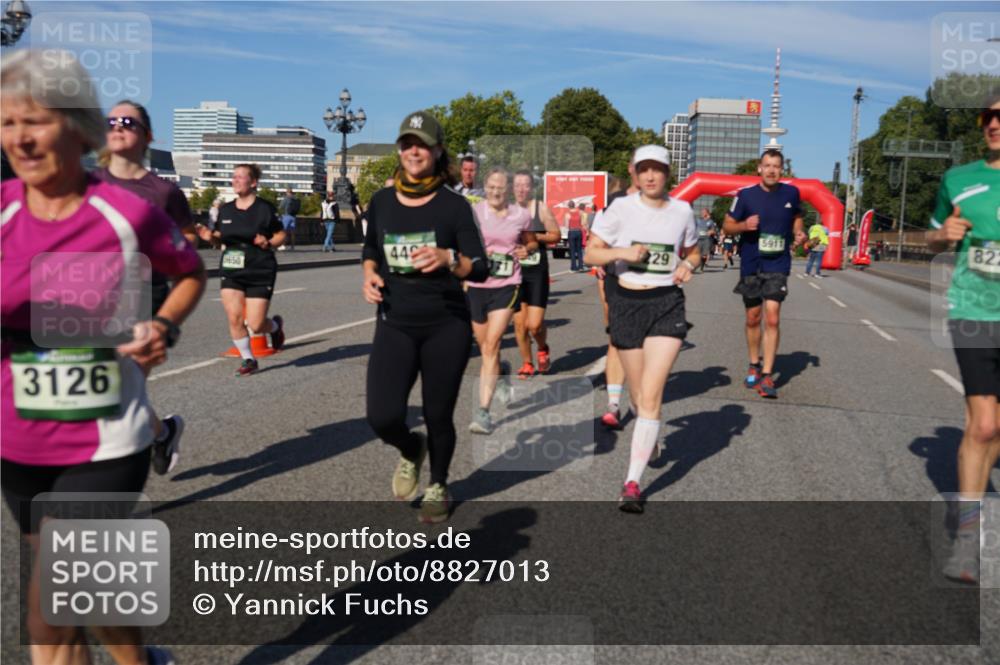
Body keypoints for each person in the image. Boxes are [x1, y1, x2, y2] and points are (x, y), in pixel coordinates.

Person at [1, 49, 205, 665]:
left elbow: (189, 271)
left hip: (105, 437)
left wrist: (162, 326)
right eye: (8, 123)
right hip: (17, 437)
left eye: (36, 120)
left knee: (51, 607)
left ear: (79, 127)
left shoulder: (125, 213)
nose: (20, 138)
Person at [362, 111, 488, 524]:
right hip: (395, 323)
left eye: (422, 145)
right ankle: (410, 448)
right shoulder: (381, 202)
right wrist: (369, 274)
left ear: (437, 152)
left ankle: (438, 483)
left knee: (437, 414)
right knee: (382, 417)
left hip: (445, 325)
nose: (413, 152)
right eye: (406, 144)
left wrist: (449, 258)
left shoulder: (454, 206)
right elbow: (371, 250)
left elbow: (480, 266)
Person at [584, 145, 699, 513]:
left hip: (667, 304)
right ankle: (650, 434)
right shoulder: (620, 209)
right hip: (627, 303)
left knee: (651, 393)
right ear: (635, 173)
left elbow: (695, 251)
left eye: (658, 169)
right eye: (644, 169)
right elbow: (590, 253)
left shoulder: (682, 211)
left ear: (668, 173)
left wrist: (688, 266)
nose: (651, 176)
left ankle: (631, 484)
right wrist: (623, 253)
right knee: (638, 394)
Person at [94, 99, 198, 476]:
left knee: (118, 388)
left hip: (144, 296)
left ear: (148, 136)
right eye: (111, 122)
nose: (118, 127)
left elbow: (188, 239)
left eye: (128, 122)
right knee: (107, 391)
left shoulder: (163, 192)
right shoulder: (84, 184)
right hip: (91, 296)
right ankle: (162, 433)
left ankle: (111, 482)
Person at [925, 96, 1000, 584]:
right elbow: (931, 236)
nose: (993, 123)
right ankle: (968, 539)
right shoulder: (959, 179)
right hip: (974, 312)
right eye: (987, 116)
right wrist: (944, 234)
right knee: (984, 424)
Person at [724, 149, 806, 399]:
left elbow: (797, 217)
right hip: (751, 263)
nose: (771, 170)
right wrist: (743, 225)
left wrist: (799, 232)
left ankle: (768, 375)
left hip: (777, 263)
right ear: (759, 168)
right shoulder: (745, 195)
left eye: (776, 166)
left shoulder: (791, 193)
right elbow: (727, 226)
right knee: (753, 317)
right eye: (767, 165)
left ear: (782, 170)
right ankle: (754, 364)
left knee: (772, 317)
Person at [196, 164, 286, 376]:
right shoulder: (226, 210)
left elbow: (281, 235)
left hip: (260, 267)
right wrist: (210, 237)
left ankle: (275, 327)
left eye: (240, 177)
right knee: (234, 317)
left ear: (253, 182)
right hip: (232, 266)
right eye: (233, 176)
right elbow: (220, 238)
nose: (235, 180)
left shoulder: (265, 208)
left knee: (255, 323)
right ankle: (249, 359)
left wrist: (268, 242)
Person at [467, 167, 538, 433]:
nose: (496, 192)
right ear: (485, 187)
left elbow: (532, 242)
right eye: (492, 187)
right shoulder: (474, 213)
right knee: (485, 346)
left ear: (508, 189)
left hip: (508, 284)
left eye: (501, 187)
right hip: (477, 284)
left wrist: (526, 248)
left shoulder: (521, 215)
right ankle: (502, 372)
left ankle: (483, 412)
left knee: (491, 345)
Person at [599, 159, 639, 428]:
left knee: (640, 344)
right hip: (618, 276)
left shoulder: (668, 203)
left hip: (651, 282)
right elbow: (600, 238)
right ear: (630, 169)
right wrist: (604, 257)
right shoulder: (615, 201)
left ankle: (639, 398)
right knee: (617, 337)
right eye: (640, 166)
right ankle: (613, 404)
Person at [512, 170, 561, 379]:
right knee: (519, 324)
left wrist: (533, 237)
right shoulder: (507, 209)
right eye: (517, 185)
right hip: (514, 270)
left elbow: (556, 235)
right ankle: (527, 363)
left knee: (535, 325)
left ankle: (542, 348)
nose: (521, 189)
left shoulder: (540, 208)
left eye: (525, 185)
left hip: (536, 271)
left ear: (532, 188)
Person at [696, 208, 718, 273]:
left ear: (707, 213)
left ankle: (702, 267)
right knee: (698, 254)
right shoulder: (698, 220)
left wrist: (711, 232)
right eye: (701, 212)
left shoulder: (710, 222)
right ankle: (697, 264)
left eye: (703, 212)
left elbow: (714, 231)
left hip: (706, 240)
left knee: (704, 255)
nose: (702, 213)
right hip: (698, 239)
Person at [566, 200, 585, 272]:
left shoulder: (567, 214)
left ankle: (573, 267)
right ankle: (581, 266)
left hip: (572, 232)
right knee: (579, 250)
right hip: (579, 232)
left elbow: (566, 225)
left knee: (572, 250)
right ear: (574, 205)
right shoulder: (579, 213)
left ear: (569, 206)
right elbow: (582, 223)